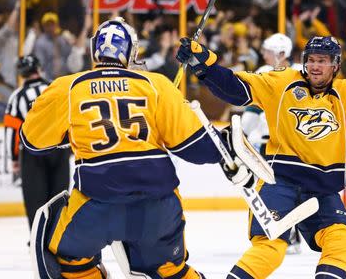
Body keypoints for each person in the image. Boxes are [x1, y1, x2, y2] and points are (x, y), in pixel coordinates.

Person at [176, 35, 346, 278]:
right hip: (279, 183)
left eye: (322, 60)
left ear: (336, 65)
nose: (315, 66)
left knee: (342, 240)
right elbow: (237, 89)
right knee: (271, 247)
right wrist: (204, 65)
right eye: (311, 60)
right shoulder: (281, 82)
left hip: (321, 189)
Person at [21, 17, 229, 278]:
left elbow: (33, 141)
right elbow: (200, 149)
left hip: (97, 206)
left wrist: (73, 130)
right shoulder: (156, 85)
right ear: (131, 52)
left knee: (70, 261)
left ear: (94, 50)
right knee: (170, 270)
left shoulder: (69, 87)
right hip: (158, 207)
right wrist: (221, 140)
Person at [240, 33, 302, 255]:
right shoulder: (300, 73)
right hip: (288, 145)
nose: (263, 55)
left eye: (268, 51)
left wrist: (241, 134)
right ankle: (289, 235)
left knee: (275, 190)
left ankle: (285, 235)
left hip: (277, 146)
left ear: (281, 54)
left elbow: (253, 111)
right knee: (285, 190)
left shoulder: (269, 74)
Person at [3, 54, 71, 234]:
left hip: (33, 152)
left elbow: (12, 130)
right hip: (59, 149)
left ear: (22, 74)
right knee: (59, 196)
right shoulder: (54, 88)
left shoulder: (17, 96)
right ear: (39, 68)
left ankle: (37, 236)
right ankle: (57, 236)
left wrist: (14, 157)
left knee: (35, 197)